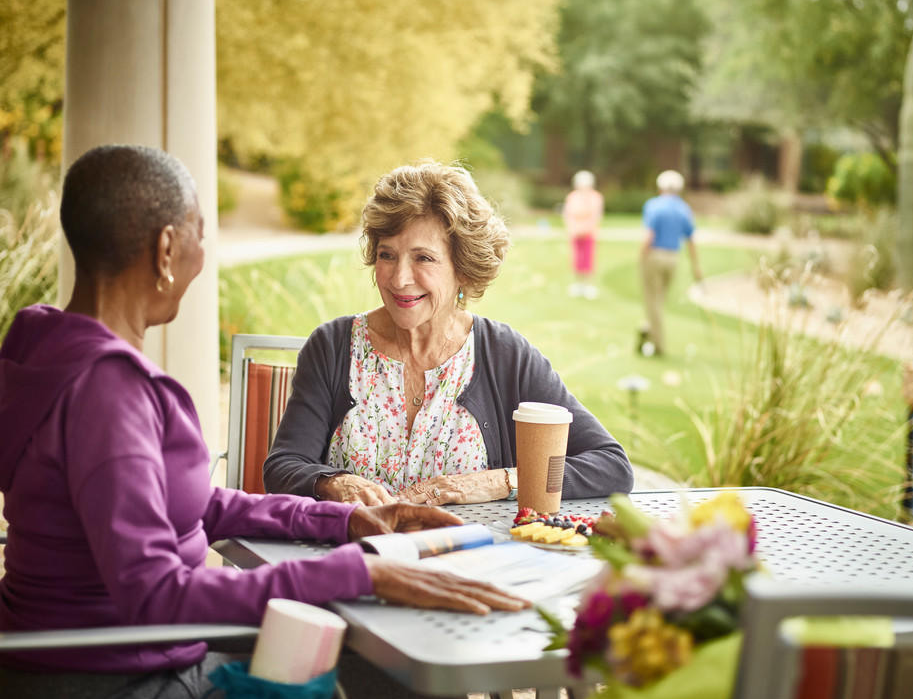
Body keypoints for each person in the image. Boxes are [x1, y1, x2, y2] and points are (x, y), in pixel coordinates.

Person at [0, 145, 527, 699]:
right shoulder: (107, 392)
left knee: (381, 666)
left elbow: (184, 504)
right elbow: (158, 593)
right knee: (407, 693)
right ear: (166, 248)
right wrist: (360, 572)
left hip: (85, 662)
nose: (201, 254)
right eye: (198, 233)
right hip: (113, 689)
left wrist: (344, 521)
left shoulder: (49, 349)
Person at [263, 161, 634, 506]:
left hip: (466, 565)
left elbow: (611, 466)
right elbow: (284, 466)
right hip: (354, 563)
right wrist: (334, 482)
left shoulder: (504, 355)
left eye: (423, 258)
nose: (399, 278)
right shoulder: (332, 346)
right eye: (387, 255)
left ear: (464, 269)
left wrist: (498, 482)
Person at [638, 169, 702, 357]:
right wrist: (696, 266)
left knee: (653, 302)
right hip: (673, 258)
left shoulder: (653, 205)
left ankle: (658, 345)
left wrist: (641, 256)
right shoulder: (684, 208)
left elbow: (649, 236)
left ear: (660, 187)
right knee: (659, 300)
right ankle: (645, 329)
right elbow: (691, 240)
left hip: (655, 256)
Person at [562, 169, 604, 299]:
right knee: (577, 259)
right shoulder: (572, 197)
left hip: (589, 233)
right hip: (575, 233)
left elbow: (596, 216)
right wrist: (573, 228)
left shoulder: (595, 197)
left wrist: (585, 229)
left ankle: (587, 285)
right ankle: (578, 285)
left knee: (588, 259)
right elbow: (568, 215)